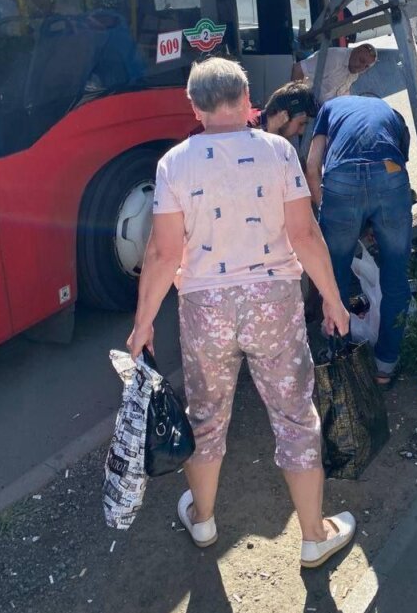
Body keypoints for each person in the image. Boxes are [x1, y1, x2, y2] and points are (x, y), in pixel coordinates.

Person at [127, 57, 356, 568]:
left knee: (206, 416)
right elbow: (303, 235)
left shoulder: (174, 163)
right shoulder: (277, 152)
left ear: (194, 105)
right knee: (296, 416)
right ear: (247, 97)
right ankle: (314, 536)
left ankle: (204, 520)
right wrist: (334, 299)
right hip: (273, 299)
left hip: (204, 305)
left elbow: (163, 254)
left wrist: (143, 324)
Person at [306, 95, 412, 387]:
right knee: (394, 274)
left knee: (334, 274)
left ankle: (341, 360)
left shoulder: (329, 108)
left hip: (341, 179)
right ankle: (385, 367)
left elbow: (312, 167)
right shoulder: (391, 114)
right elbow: (399, 163)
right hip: (390, 174)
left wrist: (325, 211)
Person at [291, 43, 377, 102]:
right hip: (309, 104)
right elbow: (298, 69)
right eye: (361, 60)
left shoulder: (354, 73)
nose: (361, 67)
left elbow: (343, 92)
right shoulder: (334, 58)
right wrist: (297, 103)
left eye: (366, 67)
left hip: (326, 110)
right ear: (355, 51)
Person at [247, 82, 317, 139]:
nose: (302, 131)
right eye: (301, 124)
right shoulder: (246, 126)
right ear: (284, 116)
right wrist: (273, 130)